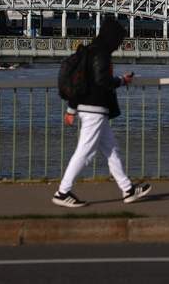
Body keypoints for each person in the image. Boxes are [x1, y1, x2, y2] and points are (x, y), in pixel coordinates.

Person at [52, 18, 152, 208]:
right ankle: (62, 192)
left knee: (112, 150)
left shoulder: (89, 50)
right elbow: (101, 81)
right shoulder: (101, 53)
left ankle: (128, 189)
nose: (118, 44)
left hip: (91, 109)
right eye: (118, 40)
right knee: (85, 152)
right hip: (94, 110)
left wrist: (71, 109)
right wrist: (121, 80)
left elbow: (81, 82)